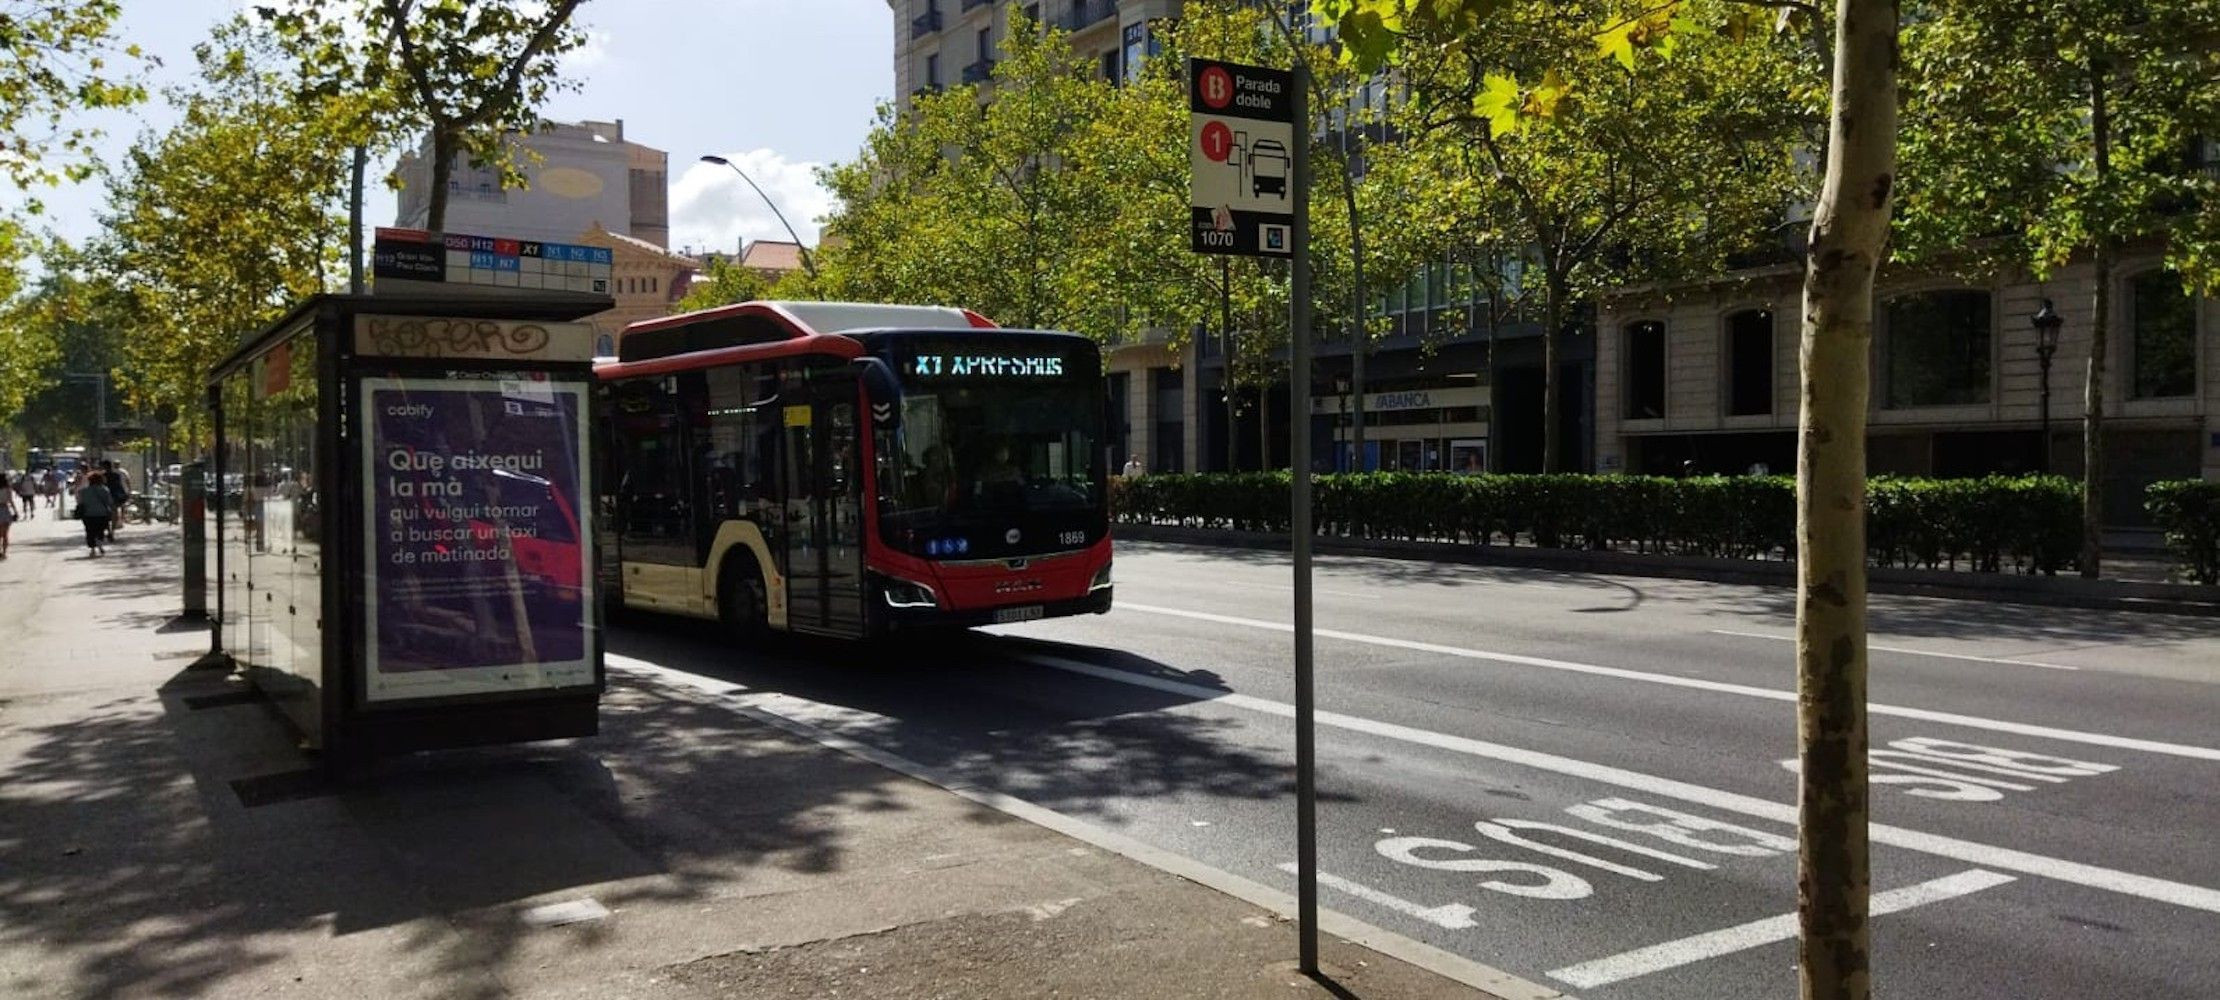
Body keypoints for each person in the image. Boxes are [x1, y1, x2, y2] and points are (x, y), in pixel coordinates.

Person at [75, 470, 114, 556]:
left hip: (88, 514)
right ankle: (100, 545)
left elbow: (80, 502)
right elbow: (109, 502)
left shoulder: (84, 491)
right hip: (102, 514)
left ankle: (92, 549)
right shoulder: (104, 490)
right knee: (100, 530)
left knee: (90, 531)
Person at [0, 478, 17, 557]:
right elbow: (11, 501)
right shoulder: (7, 489)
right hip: (4, 510)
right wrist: (15, 511)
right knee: (5, 534)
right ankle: (4, 552)